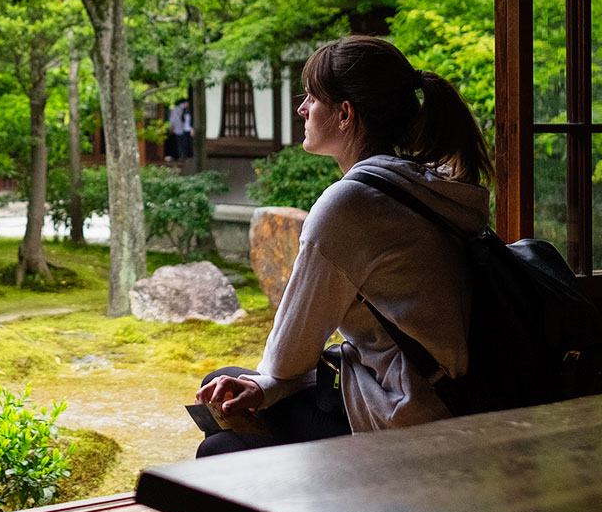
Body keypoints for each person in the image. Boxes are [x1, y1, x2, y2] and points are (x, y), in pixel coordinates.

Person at [194, 36, 494, 457]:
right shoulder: (422, 184)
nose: (302, 109)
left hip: (408, 420)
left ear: (345, 114)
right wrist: (265, 386)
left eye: (312, 98)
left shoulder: (350, 204)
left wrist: (266, 385)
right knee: (232, 388)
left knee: (221, 438)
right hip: (460, 397)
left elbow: (286, 360)